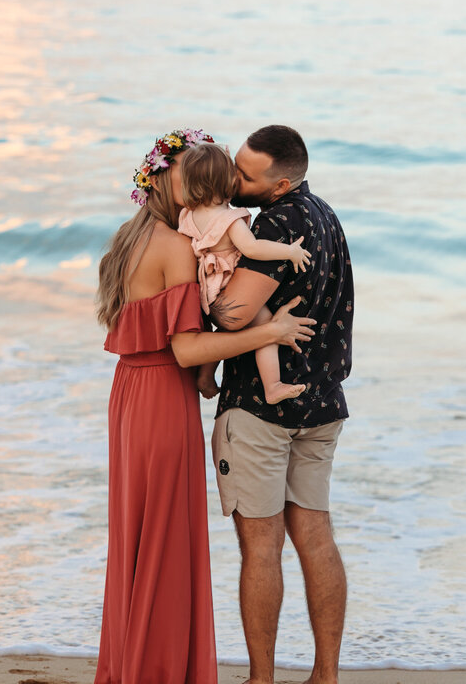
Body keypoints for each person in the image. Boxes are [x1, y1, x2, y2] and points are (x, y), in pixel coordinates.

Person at [93, 128, 318, 684]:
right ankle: (161, 670)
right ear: (170, 181)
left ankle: (139, 662)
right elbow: (188, 347)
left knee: (141, 537)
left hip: (130, 395)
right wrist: (275, 329)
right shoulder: (173, 247)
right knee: (165, 537)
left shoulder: (132, 236)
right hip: (159, 400)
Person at [207, 125, 354, 684]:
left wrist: (208, 291)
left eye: (245, 175)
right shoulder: (324, 214)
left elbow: (236, 316)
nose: (233, 180)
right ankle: (325, 676)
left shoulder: (279, 221)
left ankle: (261, 679)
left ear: (280, 182)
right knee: (316, 535)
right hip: (322, 401)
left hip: (262, 409)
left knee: (261, 547)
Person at [175, 141, 312, 405]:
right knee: (265, 326)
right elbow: (253, 248)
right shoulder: (229, 219)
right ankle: (272, 386)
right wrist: (289, 252)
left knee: (227, 331)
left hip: (207, 289)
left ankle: (205, 376)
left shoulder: (187, 215)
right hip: (227, 286)